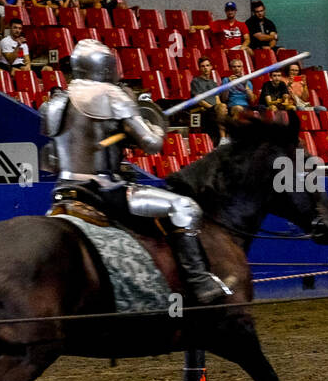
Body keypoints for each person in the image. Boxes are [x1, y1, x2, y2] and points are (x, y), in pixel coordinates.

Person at [41, 39, 232, 305]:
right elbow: (153, 145)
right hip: (103, 190)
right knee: (185, 208)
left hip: (64, 190)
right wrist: (156, 125)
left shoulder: (56, 102)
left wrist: (115, 138)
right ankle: (200, 282)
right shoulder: (112, 96)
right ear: (106, 67)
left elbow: (49, 161)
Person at [188, 56, 228, 144]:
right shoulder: (196, 82)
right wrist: (214, 108)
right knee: (222, 108)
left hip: (216, 109)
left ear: (211, 67)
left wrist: (221, 108)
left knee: (228, 109)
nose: (205, 68)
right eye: (203, 66)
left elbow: (217, 99)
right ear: (199, 68)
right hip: (205, 109)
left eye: (207, 65)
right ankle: (223, 139)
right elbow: (200, 101)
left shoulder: (213, 83)